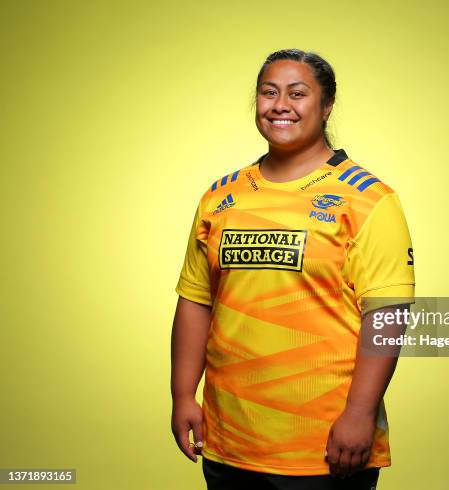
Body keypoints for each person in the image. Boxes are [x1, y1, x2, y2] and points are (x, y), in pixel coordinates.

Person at [170, 48, 416, 490]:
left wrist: (359, 414)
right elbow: (195, 300)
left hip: (325, 444)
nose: (280, 105)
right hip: (229, 440)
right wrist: (182, 394)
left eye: (297, 94)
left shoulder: (368, 198)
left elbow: (387, 315)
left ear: (326, 106)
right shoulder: (221, 196)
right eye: (269, 93)